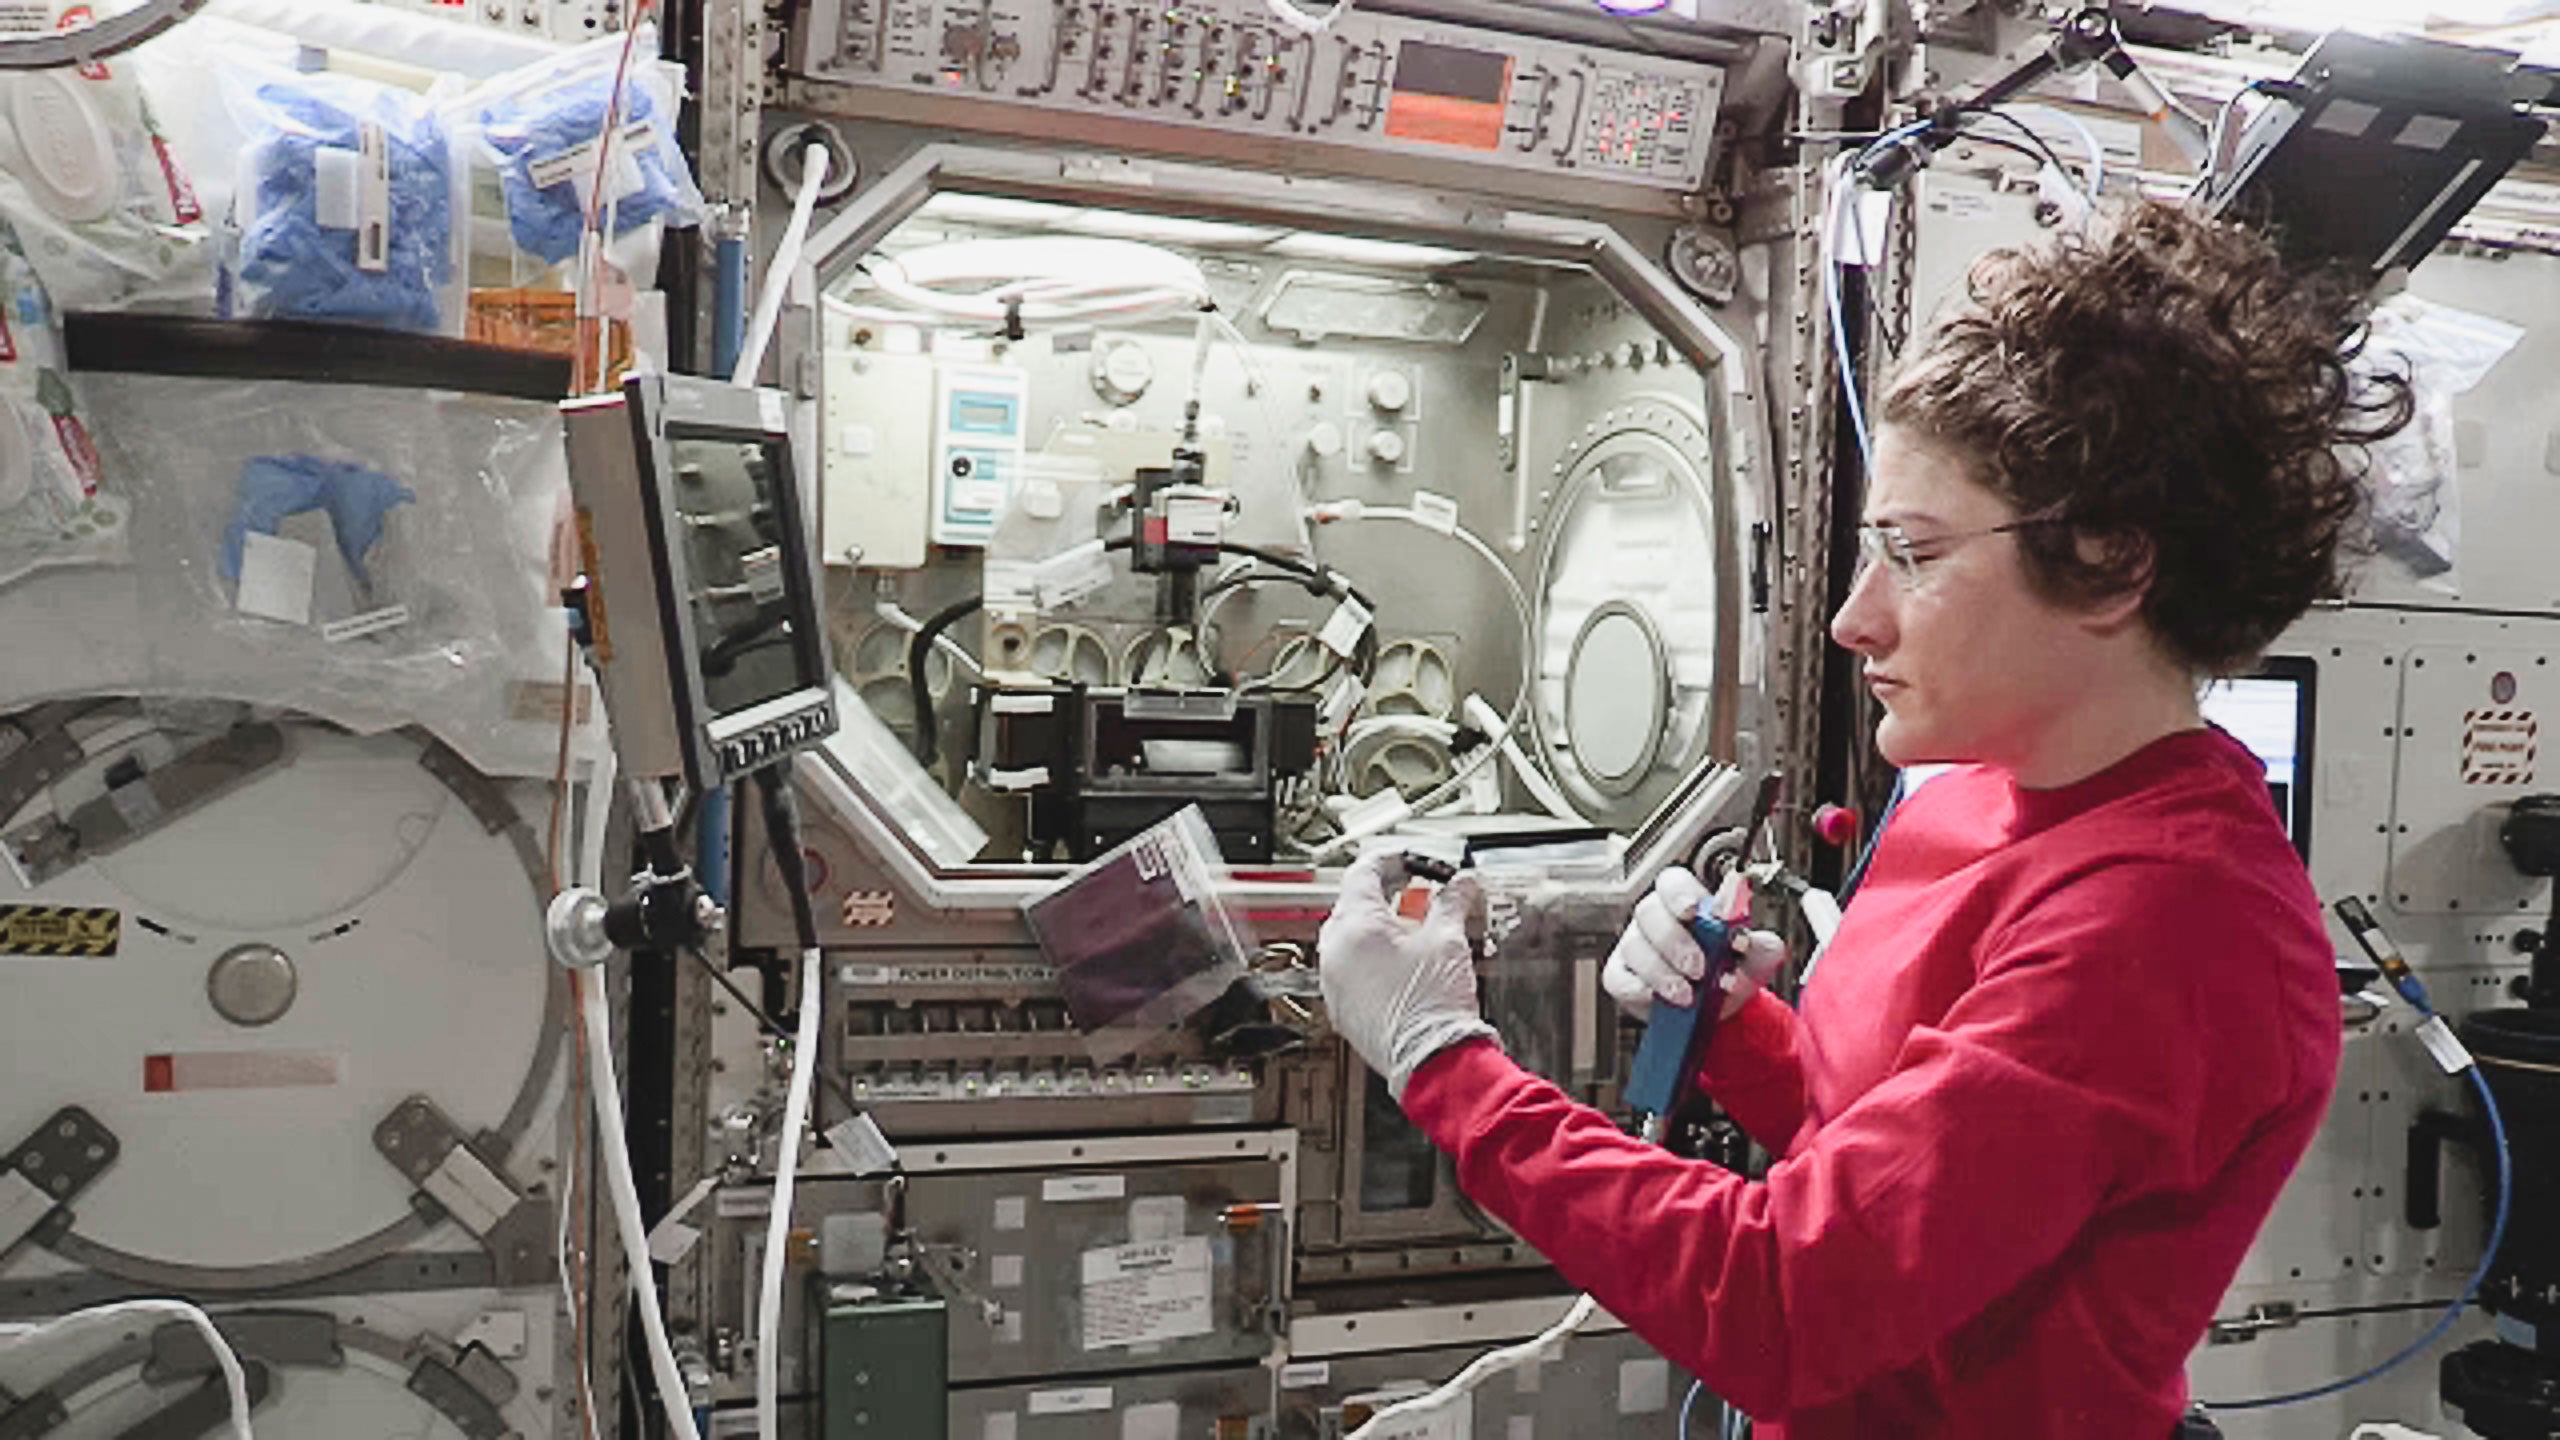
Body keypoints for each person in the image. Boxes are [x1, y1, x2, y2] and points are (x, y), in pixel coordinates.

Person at [1315, 200, 2411, 1439]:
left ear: (2108, 564)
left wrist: (1442, 1060)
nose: (1853, 619)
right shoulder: (1980, 798)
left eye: (1914, 553)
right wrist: (1738, 1029)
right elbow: (1898, 1155)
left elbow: (1790, 1300)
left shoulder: (2169, 926)